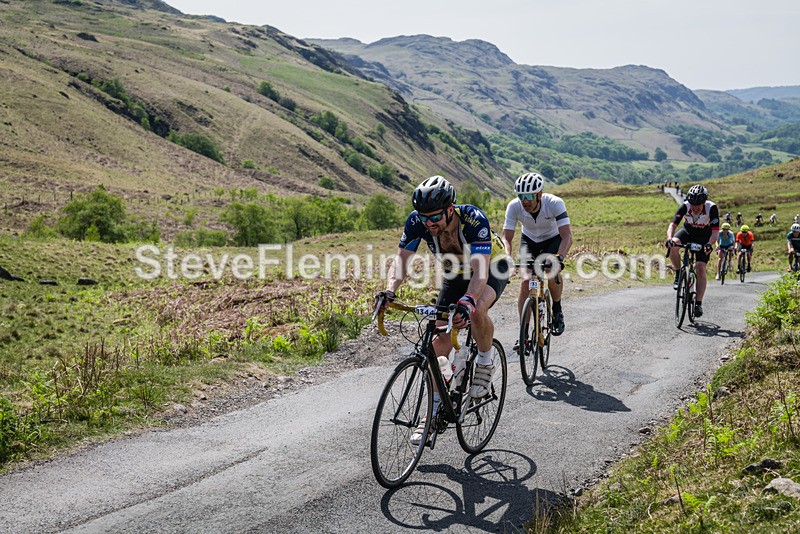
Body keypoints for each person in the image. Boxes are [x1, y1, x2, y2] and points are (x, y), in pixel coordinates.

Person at [378, 175, 510, 436]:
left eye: (435, 217)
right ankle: (433, 413)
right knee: (438, 342)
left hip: (491, 265)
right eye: (424, 217)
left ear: (450, 210)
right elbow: (401, 261)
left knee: (476, 311)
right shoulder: (418, 222)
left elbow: (480, 273)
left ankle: (484, 363)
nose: (429, 223)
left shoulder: (473, 219)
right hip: (455, 272)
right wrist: (389, 290)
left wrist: (467, 301)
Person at [501, 172, 572, 347]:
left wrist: (559, 258)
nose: (524, 200)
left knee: (550, 271)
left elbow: (567, 236)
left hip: (552, 239)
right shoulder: (514, 206)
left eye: (529, 196)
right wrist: (507, 256)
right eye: (521, 196)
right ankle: (523, 333)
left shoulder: (554, 203)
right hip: (529, 240)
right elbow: (506, 238)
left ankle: (557, 309)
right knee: (526, 281)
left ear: (539, 195)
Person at [667, 184, 719, 318]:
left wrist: (709, 244)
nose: (695, 208)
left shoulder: (711, 208)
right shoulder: (685, 206)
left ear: (704, 202)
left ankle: (698, 304)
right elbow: (673, 225)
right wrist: (670, 238)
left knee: (701, 268)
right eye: (693, 204)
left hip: (704, 237)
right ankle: (679, 273)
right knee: (673, 246)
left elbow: (715, 232)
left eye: (698, 205)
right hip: (687, 232)